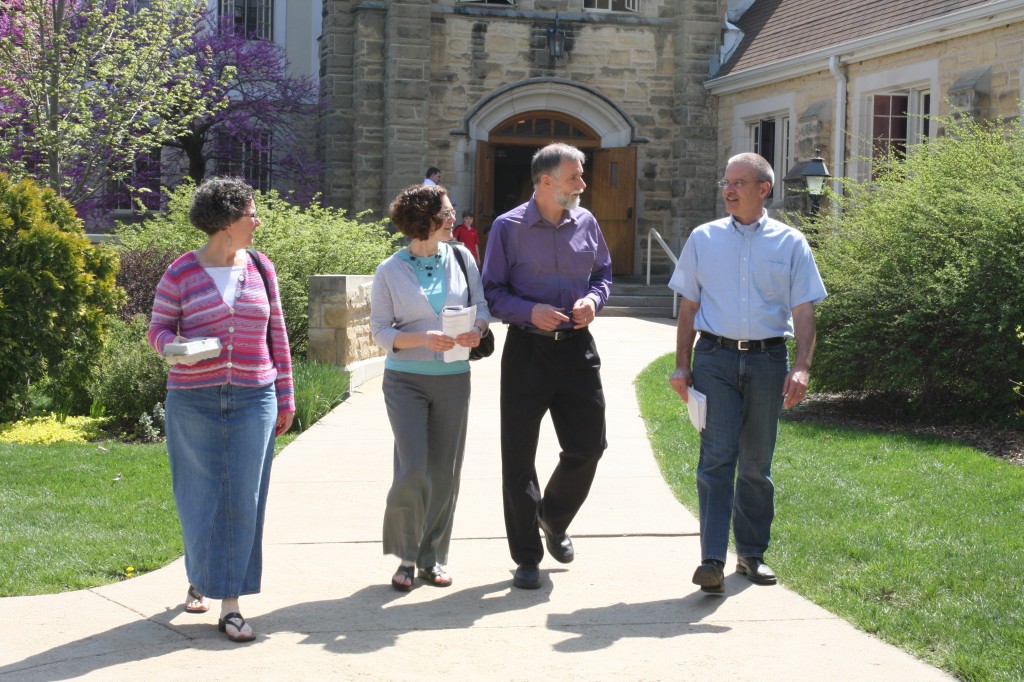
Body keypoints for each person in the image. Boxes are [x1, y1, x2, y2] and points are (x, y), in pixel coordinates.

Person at [667, 152, 827, 594]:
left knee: (756, 464)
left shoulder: (791, 243)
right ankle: (712, 560)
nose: (729, 189)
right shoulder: (703, 239)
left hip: (767, 360)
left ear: (764, 189)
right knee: (716, 460)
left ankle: (751, 555)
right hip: (714, 359)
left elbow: (804, 310)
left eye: (739, 182)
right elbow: (689, 308)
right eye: (726, 182)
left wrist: (802, 366)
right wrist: (682, 364)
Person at [148, 176, 295, 642]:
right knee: (198, 494)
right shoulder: (182, 272)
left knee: (243, 498)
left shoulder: (261, 268)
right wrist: (180, 345)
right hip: (193, 398)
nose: (258, 220)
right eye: (252, 212)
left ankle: (230, 604)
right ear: (229, 220)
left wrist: (286, 395)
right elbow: (157, 331)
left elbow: (279, 337)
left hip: (255, 396)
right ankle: (200, 575)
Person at [482, 142, 612, 590]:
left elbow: (603, 274)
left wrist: (594, 301)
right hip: (527, 351)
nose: (583, 184)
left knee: (589, 446)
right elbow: (493, 291)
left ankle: (552, 518)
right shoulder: (508, 228)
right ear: (546, 181)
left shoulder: (588, 222)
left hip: (578, 349)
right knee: (518, 458)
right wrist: (528, 311)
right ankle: (526, 558)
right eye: (575, 176)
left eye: (581, 175)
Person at [370, 183, 490, 592]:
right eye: (447, 211)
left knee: (444, 472)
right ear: (425, 219)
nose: (454, 217)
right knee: (412, 470)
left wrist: (476, 329)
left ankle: (432, 557)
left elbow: (483, 308)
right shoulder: (389, 271)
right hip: (405, 380)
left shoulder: (461, 257)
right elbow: (380, 333)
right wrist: (424, 339)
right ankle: (405, 556)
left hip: (454, 379)